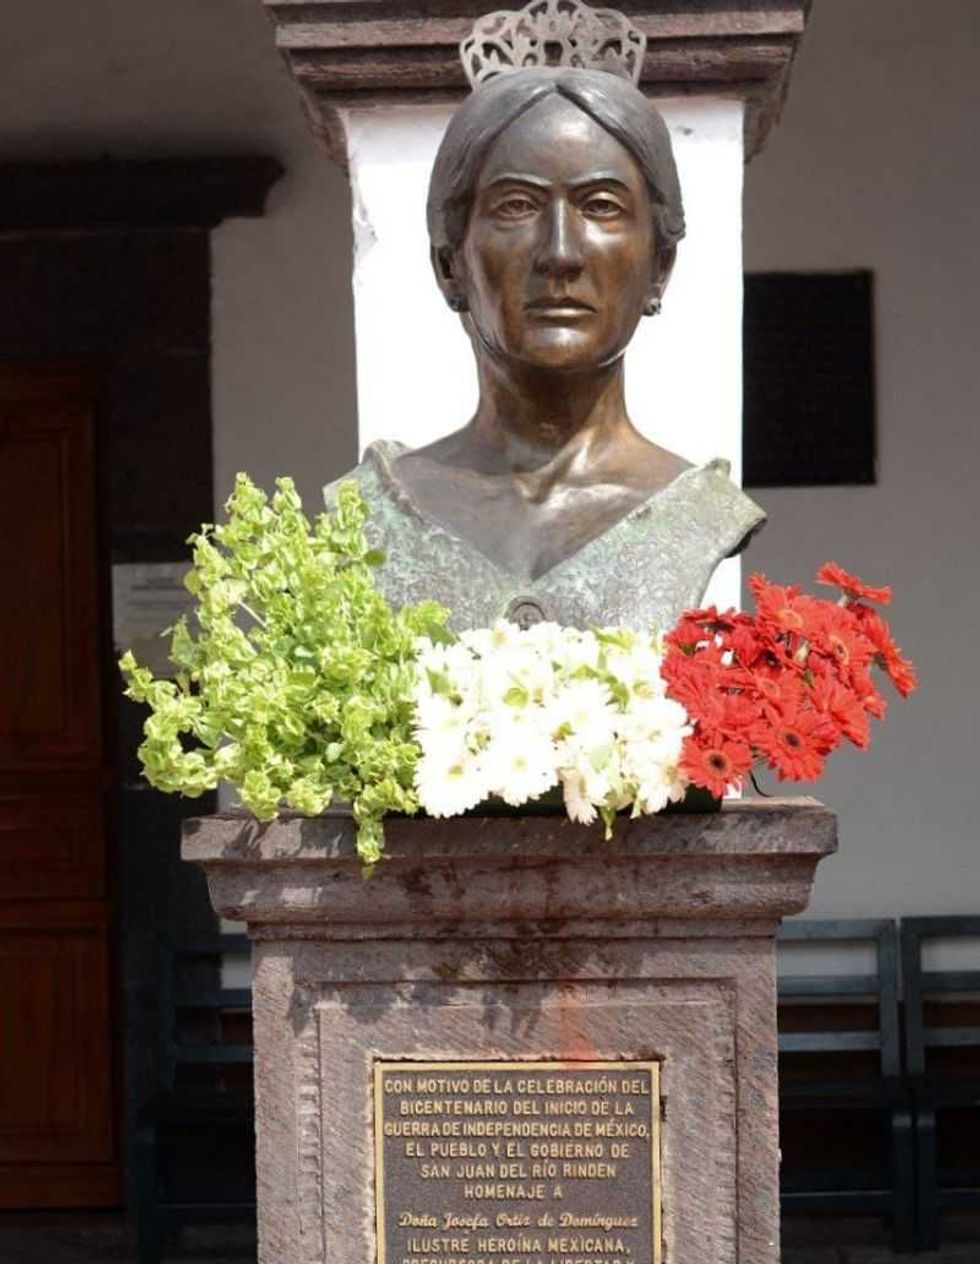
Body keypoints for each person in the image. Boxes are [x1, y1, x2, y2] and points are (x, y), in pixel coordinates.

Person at [326, 22, 764, 632]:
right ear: (450, 265)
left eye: (602, 207)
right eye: (517, 206)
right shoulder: (369, 514)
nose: (560, 252)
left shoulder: (699, 512)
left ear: (659, 267)